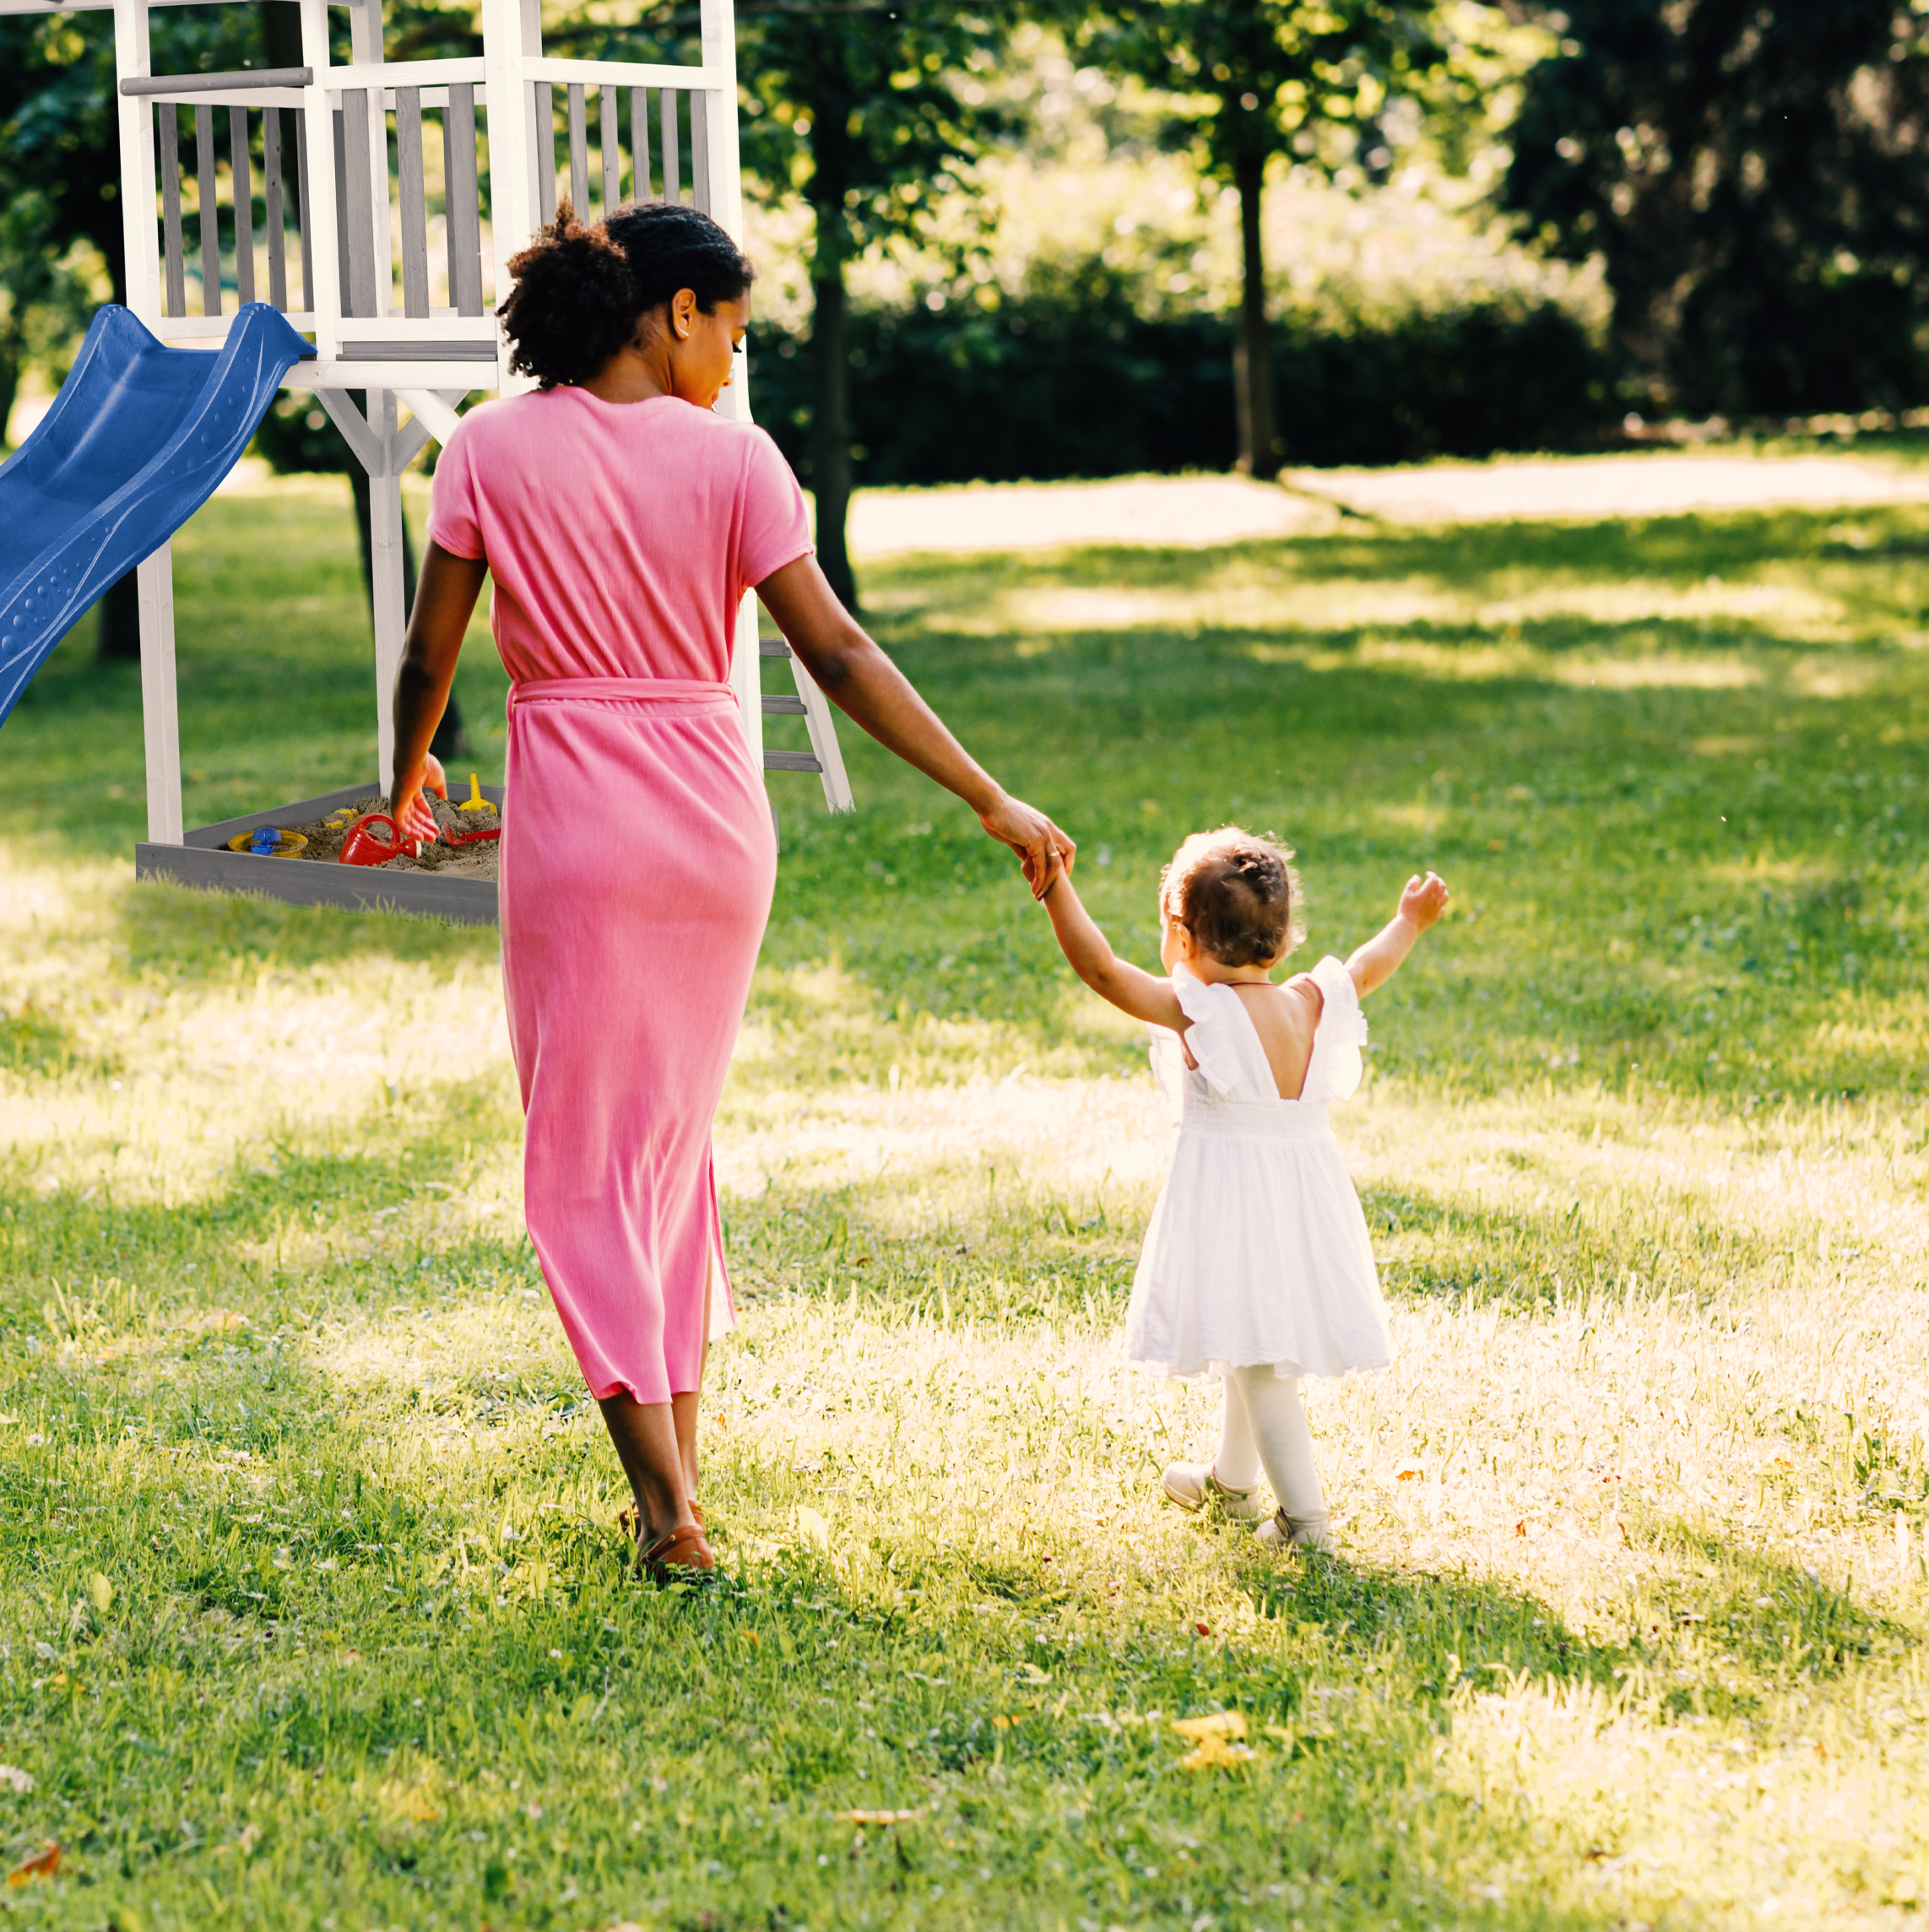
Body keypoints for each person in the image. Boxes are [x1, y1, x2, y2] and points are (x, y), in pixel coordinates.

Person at [382, 202, 1074, 1581]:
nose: (735, 363)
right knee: (664, 1156)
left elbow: (428, 656)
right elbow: (838, 653)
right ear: (676, 311)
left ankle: (667, 1512)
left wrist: (400, 782)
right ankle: (679, 1485)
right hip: (713, 829)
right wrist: (986, 792)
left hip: (578, 828)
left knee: (583, 1165)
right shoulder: (738, 463)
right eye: (735, 332)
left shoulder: (486, 448)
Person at [1034, 829, 1451, 1552]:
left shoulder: (1200, 1012)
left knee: (1259, 1364)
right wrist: (1409, 921)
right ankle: (1231, 1485)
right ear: (1283, 940)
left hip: (1236, 1204)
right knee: (1244, 1335)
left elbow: (1101, 971)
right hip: (1302, 1201)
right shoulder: (1310, 1001)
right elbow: (1367, 965)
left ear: (1182, 936)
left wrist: (1054, 887)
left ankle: (1305, 1523)